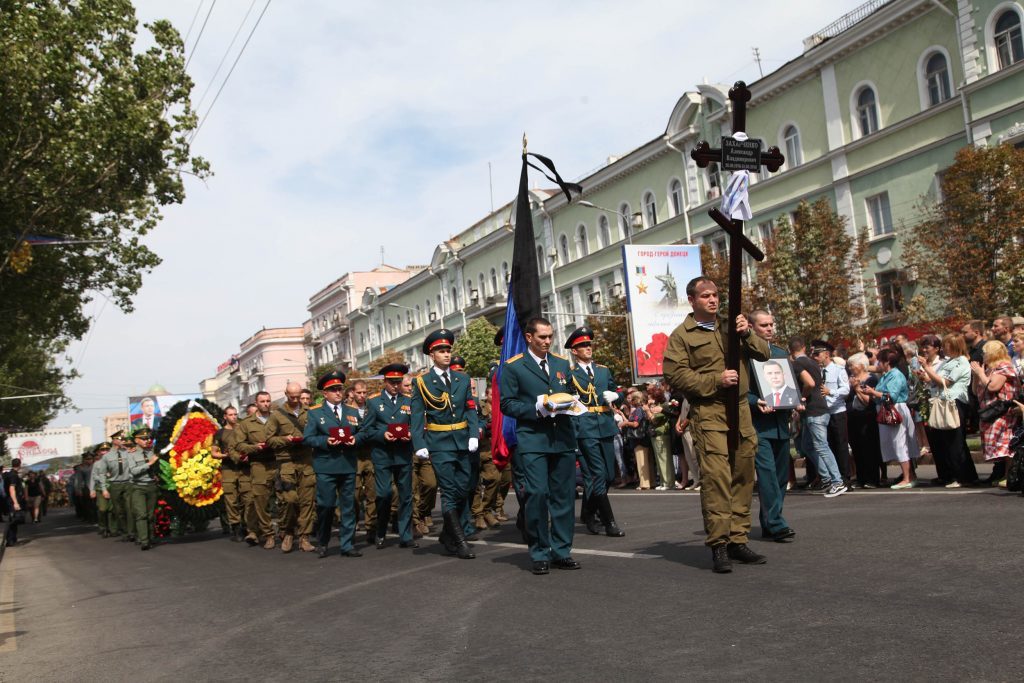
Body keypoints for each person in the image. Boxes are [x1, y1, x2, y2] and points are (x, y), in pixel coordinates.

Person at [662, 277, 770, 574]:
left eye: (716, 295)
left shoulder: (731, 325)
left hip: (740, 411)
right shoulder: (682, 336)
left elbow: (765, 353)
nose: (713, 300)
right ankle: (719, 544)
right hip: (709, 411)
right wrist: (715, 380)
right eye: (706, 296)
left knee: (743, 475)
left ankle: (738, 540)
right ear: (692, 300)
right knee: (717, 479)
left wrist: (747, 332)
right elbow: (675, 375)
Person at [499, 317, 580, 575]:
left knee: (564, 497)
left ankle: (562, 551)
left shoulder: (560, 363)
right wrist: (536, 408)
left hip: (562, 438)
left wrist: (573, 405)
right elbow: (507, 404)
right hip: (533, 439)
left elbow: (567, 393)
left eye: (550, 336)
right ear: (529, 337)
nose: (547, 341)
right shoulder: (514, 367)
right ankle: (539, 552)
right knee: (536, 494)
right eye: (542, 337)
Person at [411, 328, 480, 560]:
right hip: (439, 443)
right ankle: (460, 541)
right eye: (441, 350)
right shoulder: (421, 382)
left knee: (465, 489)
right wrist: (419, 442)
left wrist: (473, 434)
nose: (447, 354)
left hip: (462, 440)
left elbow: (470, 407)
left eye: (448, 349)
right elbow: (417, 414)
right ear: (432, 355)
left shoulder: (462, 378)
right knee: (449, 492)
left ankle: (447, 534)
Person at [565, 325, 625, 537]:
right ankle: (608, 521)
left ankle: (588, 511)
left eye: (589, 344)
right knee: (597, 474)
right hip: (585, 427)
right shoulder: (570, 375)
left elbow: (617, 390)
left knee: (609, 475)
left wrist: (618, 396)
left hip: (605, 425)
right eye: (582, 345)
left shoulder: (603, 370)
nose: (587, 348)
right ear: (574, 351)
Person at [746, 310, 796, 542]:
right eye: (764, 325)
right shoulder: (744, 356)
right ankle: (776, 524)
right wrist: (756, 402)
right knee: (766, 476)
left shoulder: (779, 353)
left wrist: (796, 402)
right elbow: (738, 392)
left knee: (781, 477)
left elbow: (789, 385)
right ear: (751, 327)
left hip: (780, 424)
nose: (769, 328)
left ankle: (769, 523)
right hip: (758, 426)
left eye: (771, 324)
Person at [303, 370, 364, 558]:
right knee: (326, 506)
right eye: (333, 389)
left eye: (340, 389)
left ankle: (347, 544)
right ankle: (323, 541)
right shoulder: (315, 413)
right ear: (325, 393)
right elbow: (308, 438)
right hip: (326, 466)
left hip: (347, 464)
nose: (338, 392)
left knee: (348, 506)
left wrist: (356, 439)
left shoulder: (352, 412)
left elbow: (363, 432)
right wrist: (325, 441)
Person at [362, 363, 419, 549]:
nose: (395, 385)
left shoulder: (408, 401)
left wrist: (411, 434)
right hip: (383, 454)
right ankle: (380, 530)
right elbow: (367, 430)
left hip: (403, 454)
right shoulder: (373, 402)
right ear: (384, 382)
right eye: (392, 382)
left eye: (398, 381)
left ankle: (405, 534)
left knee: (406, 495)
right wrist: (382, 435)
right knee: (384, 494)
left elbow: (415, 425)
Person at [916, 334, 977, 487]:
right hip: (942, 401)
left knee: (956, 441)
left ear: (955, 345)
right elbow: (934, 380)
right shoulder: (948, 362)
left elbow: (946, 382)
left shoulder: (961, 361)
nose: (943, 348)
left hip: (955, 402)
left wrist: (927, 368)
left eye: (946, 345)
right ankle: (956, 475)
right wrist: (926, 376)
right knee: (948, 441)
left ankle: (963, 476)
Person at [790, 337, 847, 497]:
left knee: (821, 446)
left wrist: (802, 397)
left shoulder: (798, 364)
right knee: (808, 445)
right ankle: (828, 478)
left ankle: (837, 481)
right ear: (804, 348)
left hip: (815, 411)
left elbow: (810, 383)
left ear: (790, 351)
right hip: (819, 409)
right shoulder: (813, 363)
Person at [264, 382, 315, 554]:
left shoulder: (310, 412)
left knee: (307, 501)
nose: (295, 399)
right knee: (290, 500)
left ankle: (305, 537)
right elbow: (269, 439)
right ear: (286, 393)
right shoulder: (277, 415)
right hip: (287, 462)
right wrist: (285, 439)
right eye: (291, 396)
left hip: (307, 461)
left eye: (297, 396)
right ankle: (287, 531)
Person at [862, 348, 920, 489]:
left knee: (899, 442)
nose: (878, 364)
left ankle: (907, 478)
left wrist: (872, 392)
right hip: (887, 409)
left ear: (887, 362)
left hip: (895, 409)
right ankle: (909, 475)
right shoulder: (886, 375)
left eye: (880, 361)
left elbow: (890, 396)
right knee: (897, 443)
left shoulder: (895, 375)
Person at [972, 340, 1021, 487]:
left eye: (986, 352)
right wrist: (976, 375)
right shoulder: (988, 369)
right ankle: (1006, 475)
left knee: (1006, 444)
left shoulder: (1004, 367)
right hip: (989, 411)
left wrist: (980, 373)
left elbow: (993, 386)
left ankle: (1010, 476)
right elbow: (976, 391)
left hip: (1003, 411)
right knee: (999, 444)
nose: (983, 355)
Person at [233, 391, 275, 547]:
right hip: (258, 465)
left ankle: (286, 530)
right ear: (256, 403)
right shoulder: (246, 423)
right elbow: (239, 445)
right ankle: (268, 533)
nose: (266, 403)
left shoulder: (277, 418)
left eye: (268, 401)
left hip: (278, 462)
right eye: (262, 401)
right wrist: (254, 448)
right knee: (260, 500)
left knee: (287, 499)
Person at [212, 406, 250, 541]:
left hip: (244, 468)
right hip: (229, 469)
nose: (234, 416)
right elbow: (214, 453)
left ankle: (247, 525)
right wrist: (225, 455)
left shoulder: (243, 429)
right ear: (225, 417)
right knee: (231, 500)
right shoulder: (220, 433)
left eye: (235, 414)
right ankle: (236, 527)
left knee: (247, 499)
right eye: (231, 414)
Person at [349, 380, 378, 545]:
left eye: (364, 392)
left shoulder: (371, 408)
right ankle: (352, 526)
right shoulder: (347, 410)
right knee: (355, 495)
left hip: (371, 455)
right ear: (352, 393)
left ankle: (371, 528)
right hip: (354, 457)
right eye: (358, 392)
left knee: (372, 495)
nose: (362, 396)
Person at [847, 353, 883, 488]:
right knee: (856, 449)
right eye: (849, 365)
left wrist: (857, 388)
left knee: (869, 448)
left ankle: (872, 478)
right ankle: (861, 477)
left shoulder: (871, 379)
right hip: (853, 417)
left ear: (862, 366)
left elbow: (868, 401)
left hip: (867, 417)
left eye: (853, 365)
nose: (850, 368)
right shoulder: (851, 379)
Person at [818, 342, 851, 484]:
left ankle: (845, 477)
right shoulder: (818, 371)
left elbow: (845, 390)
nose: (815, 357)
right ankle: (835, 478)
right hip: (824, 412)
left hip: (837, 412)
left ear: (826, 354)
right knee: (829, 445)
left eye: (817, 354)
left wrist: (830, 391)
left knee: (841, 445)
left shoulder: (838, 369)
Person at [124, 428, 159, 550]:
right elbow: (133, 471)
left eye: (148, 438)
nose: (147, 440)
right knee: (141, 514)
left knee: (150, 515)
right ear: (136, 440)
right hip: (138, 487)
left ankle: (150, 537)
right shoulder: (131, 454)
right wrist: (149, 464)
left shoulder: (152, 452)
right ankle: (144, 540)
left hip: (151, 486)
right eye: (143, 439)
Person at [644, 384, 679, 491]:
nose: (649, 399)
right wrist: (649, 410)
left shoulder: (663, 406)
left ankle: (669, 482)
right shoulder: (656, 406)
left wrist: (647, 410)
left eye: (651, 397)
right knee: (659, 460)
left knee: (665, 459)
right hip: (656, 434)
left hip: (662, 434)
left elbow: (654, 419)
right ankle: (664, 482)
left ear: (656, 398)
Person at [87, 443, 113, 533]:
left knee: (112, 510)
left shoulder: (115, 461)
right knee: (103, 509)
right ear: (99, 452)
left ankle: (112, 528)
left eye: (107, 450)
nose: (105, 452)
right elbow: (93, 478)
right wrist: (92, 490)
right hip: (100, 489)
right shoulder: (97, 464)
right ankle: (102, 526)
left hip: (113, 487)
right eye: (103, 450)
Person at [4, 459, 26, 546]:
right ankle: (10, 540)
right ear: (19, 465)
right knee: (13, 520)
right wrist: (15, 502)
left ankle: (13, 538)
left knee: (14, 520)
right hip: (12, 500)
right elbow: (11, 489)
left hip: (11, 499)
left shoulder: (11, 474)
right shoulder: (13, 475)